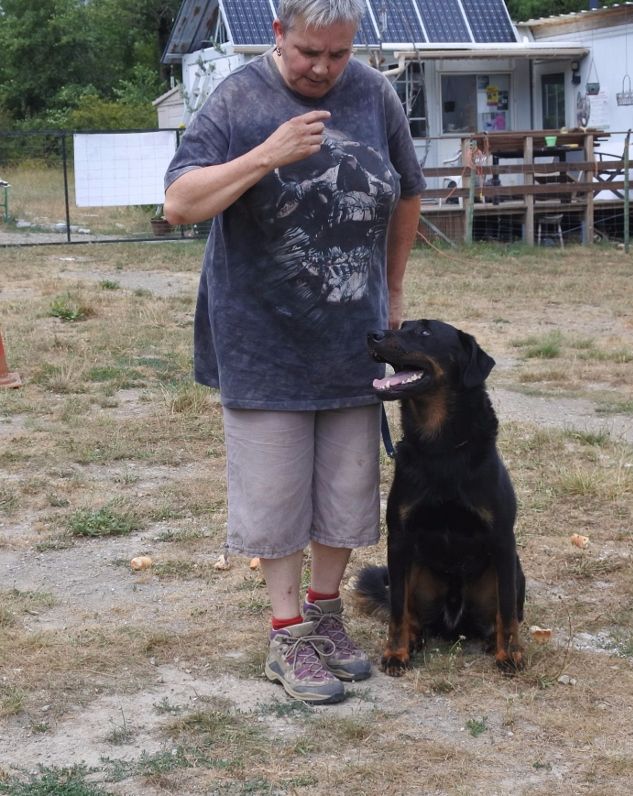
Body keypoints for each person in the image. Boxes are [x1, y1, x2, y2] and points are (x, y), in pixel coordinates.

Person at [163, 0, 425, 704]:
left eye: (338, 54)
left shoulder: (374, 94)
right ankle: (286, 635)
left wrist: (394, 288)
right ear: (278, 34)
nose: (323, 68)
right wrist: (267, 155)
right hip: (262, 340)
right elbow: (179, 203)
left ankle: (325, 614)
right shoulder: (240, 97)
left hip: (351, 340)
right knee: (276, 496)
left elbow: (407, 192)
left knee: (346, 490)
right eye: (310, 52)